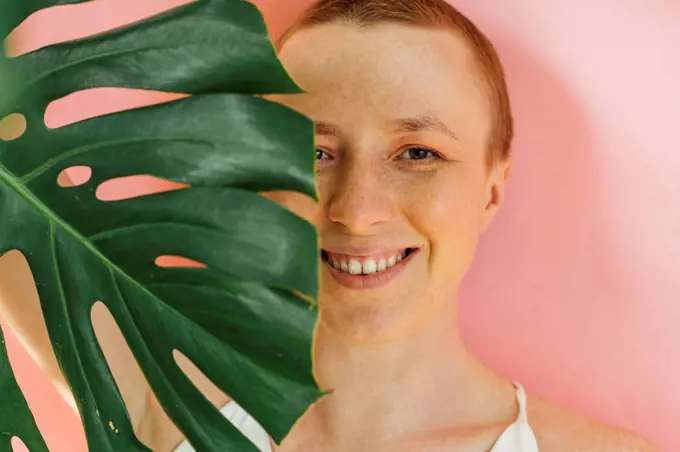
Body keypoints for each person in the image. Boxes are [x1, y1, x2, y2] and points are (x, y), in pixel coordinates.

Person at [0, 0, 658, 451]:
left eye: (417, 155)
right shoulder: (160, 406)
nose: (357, 209)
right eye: (313, 152)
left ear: (491, 189)